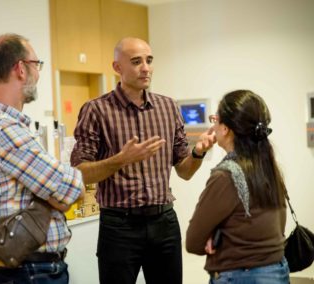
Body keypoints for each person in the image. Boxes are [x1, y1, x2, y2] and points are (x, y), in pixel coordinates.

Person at [70, 37, 216, 284]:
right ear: (117, 67)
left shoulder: (168, 107)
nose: (145, 68)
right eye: (136, 62)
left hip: (164, 222)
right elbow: (79, 172)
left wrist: (198, 152)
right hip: (119, 226)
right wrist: (120, 159)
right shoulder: (96, 110)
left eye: (149, 60)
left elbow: (184, 171)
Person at [0, 33, 84, 284]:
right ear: (21, 69)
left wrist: (56, 192)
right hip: (31, 272)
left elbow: (61, 192)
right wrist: (60, 192)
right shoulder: (5, 131)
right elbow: (72, 189)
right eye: (36, 64)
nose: (38, 73)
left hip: (22, 269)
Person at [186, 90, 290, 283]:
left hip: (240, 276)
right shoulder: (268, 167)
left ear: (225, 128)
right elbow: (274, 228)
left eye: (216, 119)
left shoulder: (226, 176)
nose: (213, 124)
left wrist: (215, 237)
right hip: (277, 271)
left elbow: (193, 242)